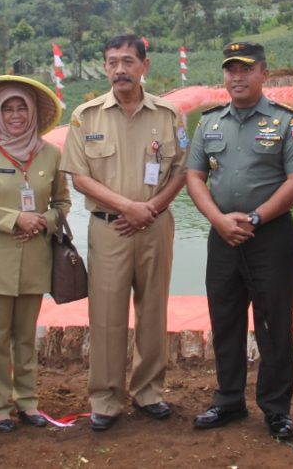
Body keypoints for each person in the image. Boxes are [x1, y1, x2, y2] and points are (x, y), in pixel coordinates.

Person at [185, 41, 293, 440]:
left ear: (264, 73)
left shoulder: (285, 121)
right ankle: (228, 400)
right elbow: (194, 176)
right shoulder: (209, 122)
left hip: (270, 237)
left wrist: (256, 217)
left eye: (246, 68)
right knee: (225, 319)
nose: (236, 77)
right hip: (222, 236)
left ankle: (276, 409)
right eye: (230, 69)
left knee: (274, 322)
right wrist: (218, 219)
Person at [60, 34, 188, 431]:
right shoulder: (86, 116)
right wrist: (128, 208)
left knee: (153, 310)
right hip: (109, 228)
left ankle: (149, 392)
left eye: (129, 61)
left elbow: (182, 171)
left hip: (156, 224)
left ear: (144, 66)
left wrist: (149, 208)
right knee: (107, 315)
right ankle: (106, 398)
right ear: (105, 67)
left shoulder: (169, 115)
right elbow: (80, 178)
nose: (120, 69)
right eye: (113, 61)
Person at [0, 75, 71, 433]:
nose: (15, 114)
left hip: (34, 261)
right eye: (7, 108)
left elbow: (62, 201)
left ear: (33, 111)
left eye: (21, 106)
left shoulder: (50, 153)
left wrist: (45, 220)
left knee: (25, 338)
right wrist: (15, 220)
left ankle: (27, 402)